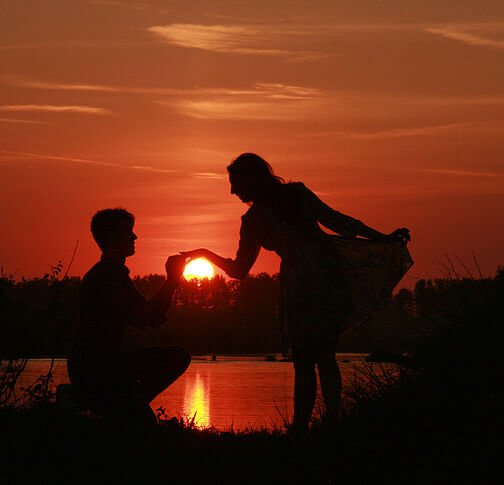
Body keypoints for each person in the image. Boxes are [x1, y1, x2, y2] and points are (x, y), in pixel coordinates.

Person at [182, 153, 411, 433]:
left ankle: (304, 429)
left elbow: (240, 269)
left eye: (235, 183)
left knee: (306, 359)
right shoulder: (289, 198)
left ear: (252, 179)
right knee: (323, 355)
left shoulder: (257, 218)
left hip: (307, 282)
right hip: (326, 274)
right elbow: (337, 221)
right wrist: (381, 237)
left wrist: (205, 255)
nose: (232, 190)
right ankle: (329, 424)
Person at [68, 208, 190, 423]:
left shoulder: (112, 273)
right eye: (128, 231)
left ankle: (125, 404)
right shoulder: (108, 277)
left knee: (177, 357)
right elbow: (147, 316)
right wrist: (171, 280)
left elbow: (150, 316)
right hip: (97, 368)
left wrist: (171, 283)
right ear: (111, 238)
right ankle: (119, 404)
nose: (134, 237)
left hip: (104, 364)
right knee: (176, 359)